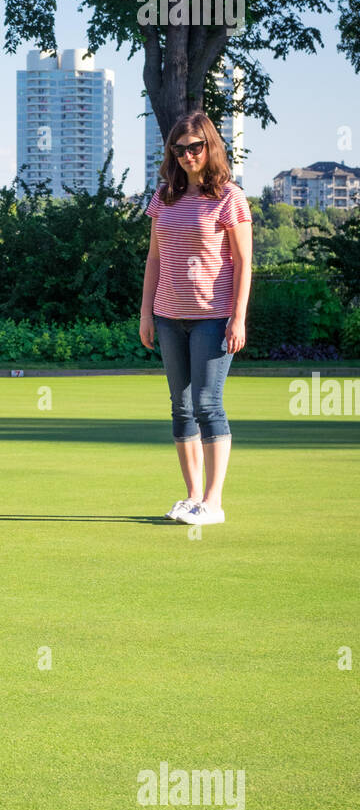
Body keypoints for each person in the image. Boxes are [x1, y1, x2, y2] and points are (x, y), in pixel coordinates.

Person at [140, 110, 252, 525]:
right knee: (180, 407)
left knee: (207, 404)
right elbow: (153, 258)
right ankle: (191, 498)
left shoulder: (229, 197)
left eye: (195, 147)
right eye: (179, 148)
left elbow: (244, 263)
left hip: (213, 317)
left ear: (210, 147)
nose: (188, 155)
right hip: (169, 316)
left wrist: (238, 318)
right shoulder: (164, 195)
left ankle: (213, 502)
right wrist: (147, 313)